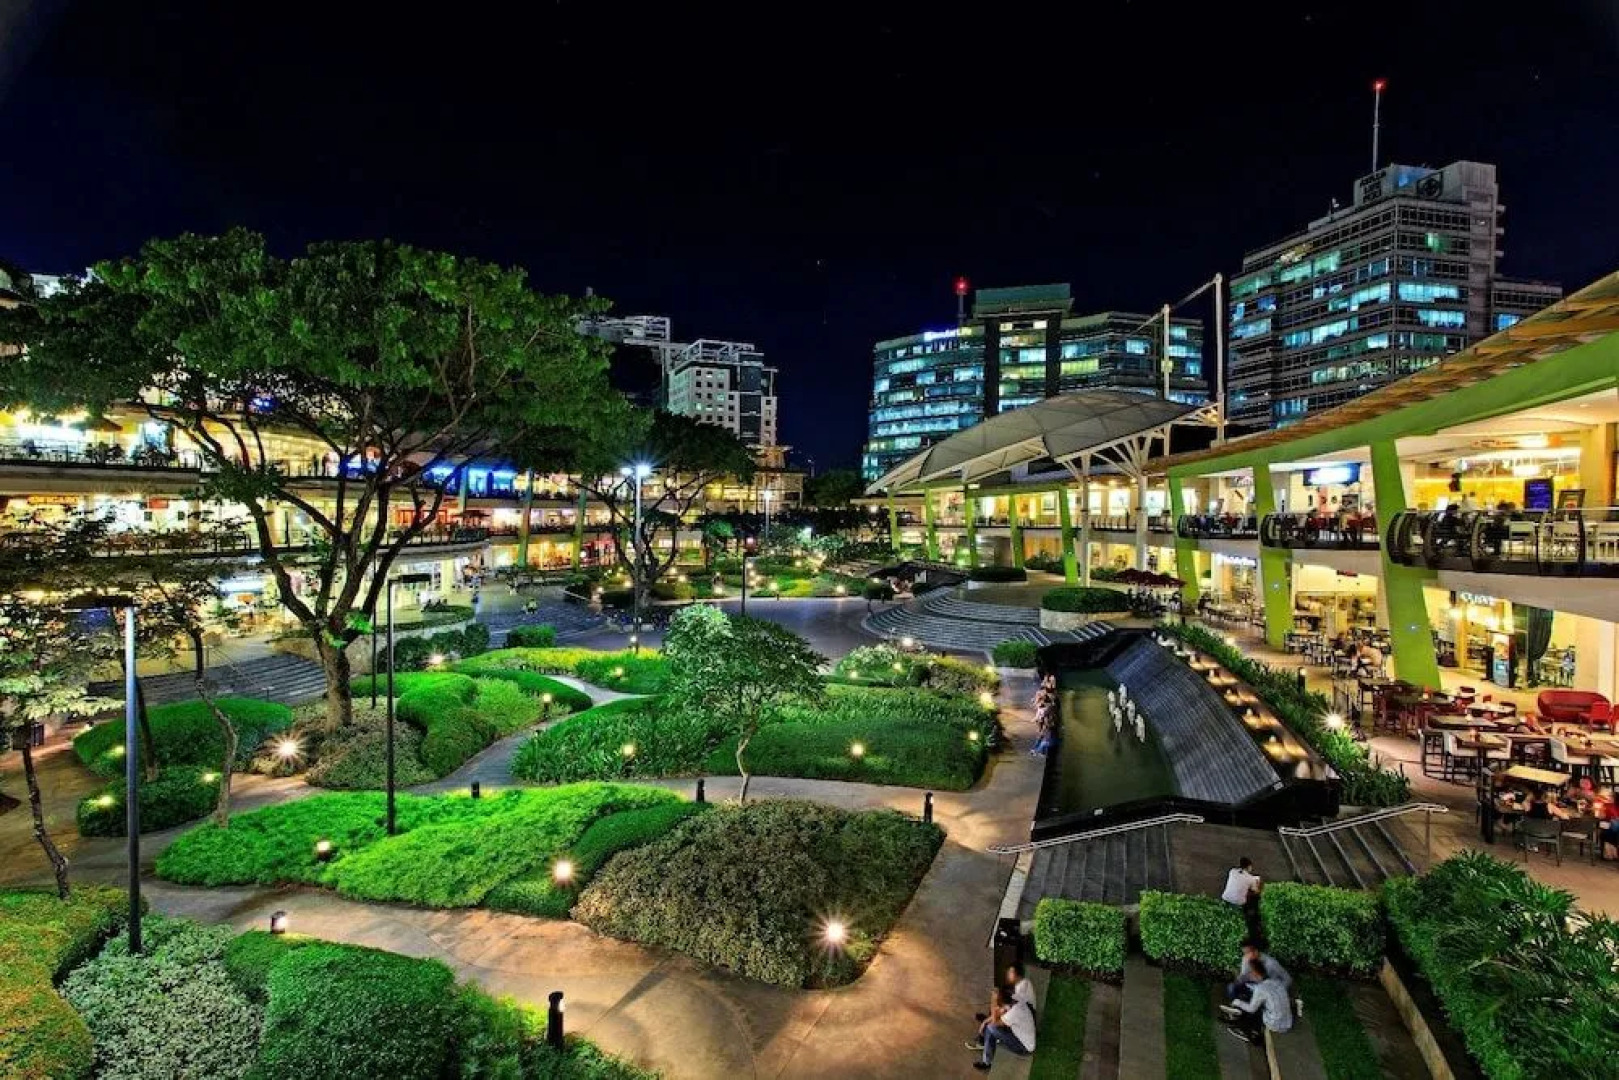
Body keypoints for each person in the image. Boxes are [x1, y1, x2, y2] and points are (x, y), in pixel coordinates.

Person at [1223, 958, 1293, 1044]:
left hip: (1275, 1024)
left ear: (1256, 974)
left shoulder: (1260, 989)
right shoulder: (1276, 981)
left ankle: (1248, 1031)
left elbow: (1251, 1009)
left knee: (1252, 1009)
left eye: (1251, 973)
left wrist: (1237, 1002)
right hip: (1288, 1022)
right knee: (1261, 1002)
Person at [970, 985, 1036, 1070]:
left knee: (991, 1028)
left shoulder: (1014, 1012)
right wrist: (985, 1021)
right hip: (1020, 1032)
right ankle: (985, 1038)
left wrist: (993, 1002)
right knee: (992, 1022)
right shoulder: (1014, 1000)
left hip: (1023, 1047)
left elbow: (994, 1023)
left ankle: (986, 1063)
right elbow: (1002, 1011)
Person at [1226, 940, 1291, 1003]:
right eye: (1245, 953)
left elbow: (1288, 979)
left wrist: (1278, 991)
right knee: (1231, 987)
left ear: (1256, 951)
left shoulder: (1271, 964)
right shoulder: (1246, 959)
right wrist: (1238, 978)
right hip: (1254, 987)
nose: (1246, 956)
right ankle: (1236, 1005)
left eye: (1248, 953)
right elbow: (1243, 976)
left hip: (1268, 989)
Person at [1221, 857, 1263, 922]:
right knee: (1252, 897)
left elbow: (1241, 876)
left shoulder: (1232, 871)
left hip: (1225, 898)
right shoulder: (1250, 879)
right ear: (1249, 867)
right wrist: (1258, 882)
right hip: (1238, 903)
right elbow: (1256, 891)